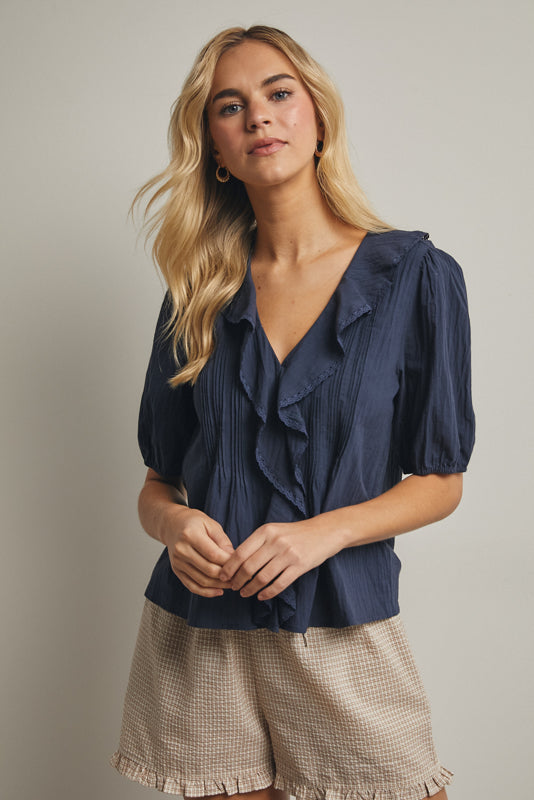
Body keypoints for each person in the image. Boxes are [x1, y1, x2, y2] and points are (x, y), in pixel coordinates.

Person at [110, 25, 475, 800]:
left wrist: (321, 534)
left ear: (317, 118)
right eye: (230, 107)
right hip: (199, 634)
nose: (259, 118)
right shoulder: (195, 295)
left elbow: (442, 481)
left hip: (341, 622)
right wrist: (176, 527)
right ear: (213, 144)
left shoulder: (416, 277)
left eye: (279, 94)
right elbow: (156, 483)